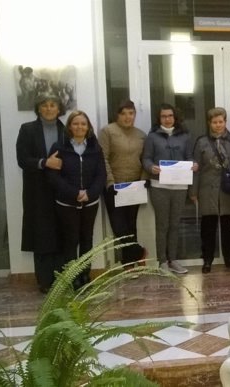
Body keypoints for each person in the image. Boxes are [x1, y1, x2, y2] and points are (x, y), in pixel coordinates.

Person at [48, 110, 106, 289]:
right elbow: (53, 177)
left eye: (83, 124)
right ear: (70, 127)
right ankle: (71, 277)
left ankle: (84, 275)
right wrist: (74, 193)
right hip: (67, 203)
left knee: (87, 239)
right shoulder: (59, 147)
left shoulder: (95, 148)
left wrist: (90, 193)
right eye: (75, 123)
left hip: (90, 202)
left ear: (88, 127)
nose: (79, 127)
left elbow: (101, 174)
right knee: (70, 240)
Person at [15, 93, 66, 293]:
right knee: (41, 234)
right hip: (37, 191)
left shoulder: (67, 130)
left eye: (53, 105)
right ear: (38, 109)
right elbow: (22, 159)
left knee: (63, 233)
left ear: (59, 109)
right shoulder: (27, 130)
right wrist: (44, 163)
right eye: (45, 105)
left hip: (62, 188)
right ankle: (45, 282)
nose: (49, 108)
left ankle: (62, 280)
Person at [141, 103, 192, 275]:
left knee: (175, 224)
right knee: (162, 225)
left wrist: (194, 165)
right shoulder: (152, 137)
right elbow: (146, 158)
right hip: (159, 186)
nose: (167, 119)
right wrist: (151, 167)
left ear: (175, 117)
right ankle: (162, 261)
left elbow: (190, 158)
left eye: (170, 116)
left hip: (180, 187)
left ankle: (173, 260)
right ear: (159, 118)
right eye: (164, 116)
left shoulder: (184, 136)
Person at [190, 107, 230, 273]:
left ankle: (229, 258)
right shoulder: (201, 142)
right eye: (214, 122)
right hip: (207, 190)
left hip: (228, 190)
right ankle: (207, 260)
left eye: (221, 121)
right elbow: (196, 168)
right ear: (209, 123)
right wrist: (193, 191)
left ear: (225, 122)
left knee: (228, 226)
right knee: (208, 227)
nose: (218, 125)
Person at [98, 100, 148, 273]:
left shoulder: (141, 135)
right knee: (119, 227)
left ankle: (129, 263)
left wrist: (143, 180)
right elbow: (102, 158)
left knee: (130, 224)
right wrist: (110, 182)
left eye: (131, 113)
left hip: (135, 186)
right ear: (117, 115)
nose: (128, 117)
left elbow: (144, 160)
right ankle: (139, 252)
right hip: (114, 186)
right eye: (124, 113)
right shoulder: (107, 131)